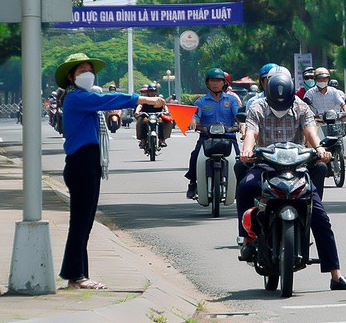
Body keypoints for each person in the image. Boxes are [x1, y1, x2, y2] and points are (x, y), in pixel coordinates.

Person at [236, 68, 346, 291]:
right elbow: (251, 132)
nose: (281, 107)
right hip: (266, 167)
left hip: (297, 169)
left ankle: (336, 275)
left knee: (320, 218)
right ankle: (246, 239)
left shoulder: (301, 107)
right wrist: (247, 150)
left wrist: (319, 149)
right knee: (245, 186)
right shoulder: (257, 107)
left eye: (285, 102)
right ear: (268, 94)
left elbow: (311, 131)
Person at [55, 52, 165, 290]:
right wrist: (143, 99)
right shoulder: (76, 98)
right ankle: (76, 276)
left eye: (89, 70)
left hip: (88, 161)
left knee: (84, 222)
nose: (87, 74)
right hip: (81, 162)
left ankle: (76, 274)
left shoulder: (81, 96)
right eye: (81, 70)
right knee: (81, 222)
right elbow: (110, 100)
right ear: (71, 76)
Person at [185, 68, 240, 200]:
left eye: (218, 81)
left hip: (228, 137)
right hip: (206, 138)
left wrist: (242, 124)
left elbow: (238, 115)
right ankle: (192, 183)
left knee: (240, 160)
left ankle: (240, 185)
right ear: (207, 83)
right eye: (212, 80)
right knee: (195, 155)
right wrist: (193, 120)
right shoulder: (201, 102)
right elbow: (195, 115)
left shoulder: (232, 100)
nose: (215, 83)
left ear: (224, 83)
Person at [135, 84, 171, 148]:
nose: (152, 93)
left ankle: (161, 140)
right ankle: (143, 140)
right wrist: (137, 111)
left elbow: (164, 106)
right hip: (146, 116)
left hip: (157, 116)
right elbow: (140, 106)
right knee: (143, 123)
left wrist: (167, 111)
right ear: (148, 91)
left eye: (154, 91)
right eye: (151, 91)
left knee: (160, 123)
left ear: (156, 91)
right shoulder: (145, 99)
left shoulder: (159, 99)